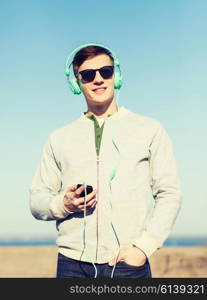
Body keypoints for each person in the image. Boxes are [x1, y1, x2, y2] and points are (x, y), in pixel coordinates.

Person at [29, 43, 182, 278]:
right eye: (88, 75)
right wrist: (64, 204)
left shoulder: (150, 129)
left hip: (128, 265)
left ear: (116, 75)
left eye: (106, 71)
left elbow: (170, 193)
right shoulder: (58, 138)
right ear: (76, 83)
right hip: (72, 265)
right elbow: (37, 200)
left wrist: (144, 247)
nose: (98, 79)